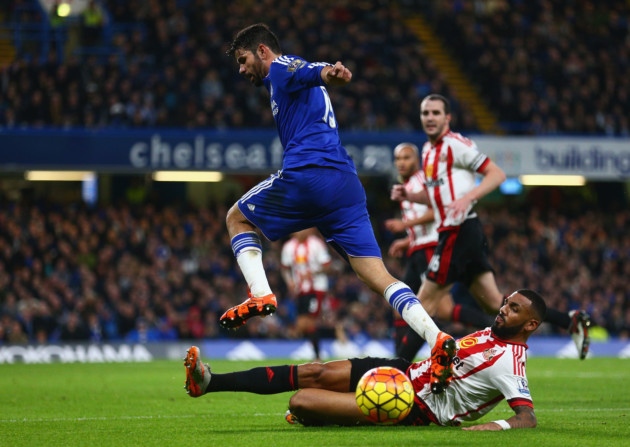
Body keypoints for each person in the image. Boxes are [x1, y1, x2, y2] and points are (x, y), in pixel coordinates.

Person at [220, 23, 456, 391]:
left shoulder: (281, 67)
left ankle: (260, 292)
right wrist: (328, 75)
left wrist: (329, 71)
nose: (240, 68)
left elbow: (308, 70)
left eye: (243, 59)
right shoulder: (282, 83)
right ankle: (438, 339)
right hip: (345, 186)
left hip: (309, 175)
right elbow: (312, 76)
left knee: (236, 218)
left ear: (262, 51)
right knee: (379, 278)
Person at [391, 94, 591, 360]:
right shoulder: (428, 152)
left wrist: (468, 197)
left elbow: (496, 174)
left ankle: (395, 371)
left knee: (423, 304)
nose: (430, 118)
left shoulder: (455, 145)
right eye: (425, 113)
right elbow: (437, 198)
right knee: (495, 303)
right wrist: (410, 196)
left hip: (459, 230)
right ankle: (569, 321)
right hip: (459, 232)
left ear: (447, 118)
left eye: (436, 113)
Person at [184, 289, 545, 430]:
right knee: (316, 371)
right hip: (401, 371)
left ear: (530, 324)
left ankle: (324, 416)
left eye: (513, 309)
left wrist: (484, 428)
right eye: (505, 303)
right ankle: (210, 382)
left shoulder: (510, 363)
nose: (503, 310)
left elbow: (526, 417)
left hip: (413, 405)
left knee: (302, 401)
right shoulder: (488, 331)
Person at [386, 142, 492, 361]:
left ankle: (491, 328)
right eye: (398, 159)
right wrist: (407, 241)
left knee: (442, 310)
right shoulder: (405, 185)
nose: (402, 163)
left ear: (417, 160)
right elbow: (422, 224)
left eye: (406, 158)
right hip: (417, 250)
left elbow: (437, 211)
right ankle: (398, 362)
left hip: (430, 248)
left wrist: (404, 225)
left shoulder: (422, 182)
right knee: (399, 308)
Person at [280, 228, 334, 360]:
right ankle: (315, 354)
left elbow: (328, 267)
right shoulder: (288, 247)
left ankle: (317, 357)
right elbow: (285, 268)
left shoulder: (316, 244)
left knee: (309, 322)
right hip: (300, 290)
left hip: (316, 288)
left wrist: (312, 273)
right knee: (303, 324)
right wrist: (289, 282)